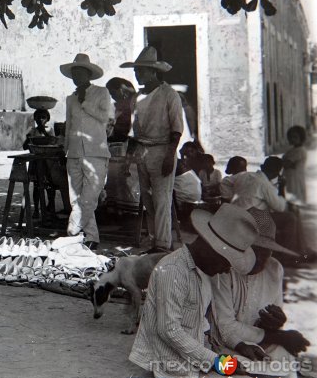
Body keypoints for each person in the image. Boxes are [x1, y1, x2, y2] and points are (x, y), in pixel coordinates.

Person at [129, 204, 259, 378]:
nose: (226, 271)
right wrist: (217, 362)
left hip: (188, 366)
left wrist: (226, 354)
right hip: (163, 370)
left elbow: (199, 327)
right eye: (226, 263)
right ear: (211, 250)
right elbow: (169, 330)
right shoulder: (173, 270)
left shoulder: (202, 274)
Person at [210, 208, 308, 378]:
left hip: (260, 342)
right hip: (225, 346)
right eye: (256, 252)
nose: (261, 261)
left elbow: (268, 321)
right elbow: (225, 328)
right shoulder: (224, 269)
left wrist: (274, 323)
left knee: (284, 358)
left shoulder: (274, 269)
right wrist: (278, 336)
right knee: (228, 368)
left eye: (266, 253)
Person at [121, 46, 183, 251]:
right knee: (147, 199)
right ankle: (154, 240)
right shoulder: (137, 98)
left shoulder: (169, 95)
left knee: (161, 198)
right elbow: (134, 130)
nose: (137, 75)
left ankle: (164, 244)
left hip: (162, 150)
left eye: (140, 71)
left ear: (152, 71)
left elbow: (176, 129)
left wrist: (169, 155)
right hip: (143, 151)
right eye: (136, 71)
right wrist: (129, 157)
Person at [60, 54, 114, 250]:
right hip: (74, 153)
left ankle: (72, 231)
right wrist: (65, 149)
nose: (76, 76)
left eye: (79, 72)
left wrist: (85, 102)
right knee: (76, 197)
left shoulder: (101, 93)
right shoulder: (70, 99)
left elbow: (105, 118)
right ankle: (91, 238)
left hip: (95, 153)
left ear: (88, 74)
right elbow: (69, 126)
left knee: (89, 197)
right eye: (74, 73)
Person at [105, 77, 136, 143]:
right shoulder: (116, 106)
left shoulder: (130, 104)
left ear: (122, 90)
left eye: (113, 93)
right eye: (111, 94)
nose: (112, 96)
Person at [282, 125, 307, 203]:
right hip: (290, 177)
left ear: (301, 138)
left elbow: (287, 164)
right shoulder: (294, 149)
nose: (293, 139)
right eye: (291, 137)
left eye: (295, 137)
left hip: (294, 178)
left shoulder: (299, 151)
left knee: (294, 198)